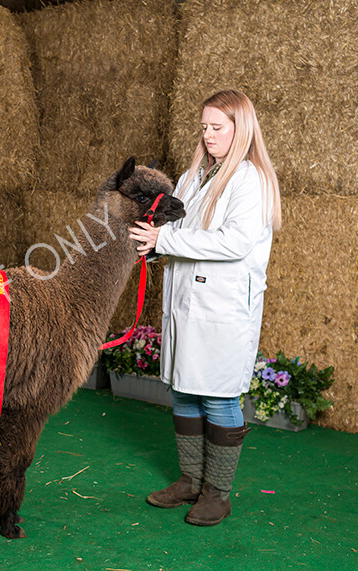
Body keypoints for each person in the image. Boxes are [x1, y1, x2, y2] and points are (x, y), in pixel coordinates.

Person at [129, 89, 281, 526]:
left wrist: (165, 241)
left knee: (217, 396)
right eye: (204, 127)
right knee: (183, 389)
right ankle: (190, 480)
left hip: (223, 307)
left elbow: (234, 243)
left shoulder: (248, 179)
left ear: (241, 129)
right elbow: (176, 229)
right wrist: (151, 244)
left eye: (218, 127)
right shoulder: (194, 175)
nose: (208, 135)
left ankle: (217, 493)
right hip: (186, 301)